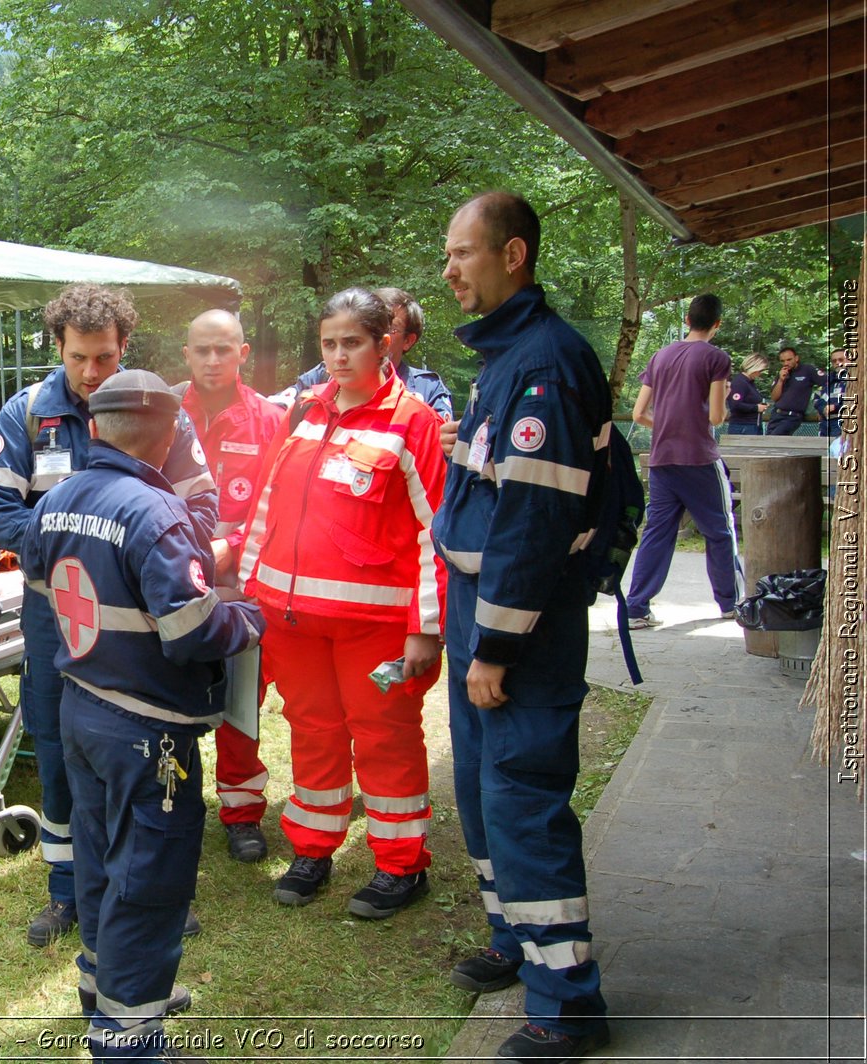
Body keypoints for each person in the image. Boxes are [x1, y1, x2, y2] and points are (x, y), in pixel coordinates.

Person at [22, 369, 264, 1063]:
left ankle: (104, 990)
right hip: (147, 729)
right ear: (169, 435)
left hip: (81, 709)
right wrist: (248, 619)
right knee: (150, 881)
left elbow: (45, 589)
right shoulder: (159, 515)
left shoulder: (56, 501)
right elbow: (190, 632)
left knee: (99, 859)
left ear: (93, 428)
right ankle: (129, 1042)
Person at [0, 283, 218, 948]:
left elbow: (201, 510)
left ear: (125, 348)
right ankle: (67, 893)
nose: (91, 372)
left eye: (105, 357)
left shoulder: (159, 412)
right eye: (79, 357)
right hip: (56, 618)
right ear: (58, 347)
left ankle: (152, 891)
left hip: (142, 626)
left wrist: (130, 553)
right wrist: (78, 548)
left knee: (150, 753)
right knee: (59, 754)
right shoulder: (25, 415)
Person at [432, 192, 611, 1062]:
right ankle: (517, 942)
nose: (450, 271)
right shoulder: (504, 357)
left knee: (522, 801)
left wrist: (495, 646)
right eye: (446, 256)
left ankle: (568, 1004)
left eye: (462, 254)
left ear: (513, 255)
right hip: (480, 613)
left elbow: (533, 524)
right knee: (480, 791)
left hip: (521, 626)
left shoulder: (546, 363)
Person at [236, 287, 445, 918]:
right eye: (329, 343)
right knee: (314, 732)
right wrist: (251, 592)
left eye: (352, 342)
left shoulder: (414, 421)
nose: (338, 355)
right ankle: (314, 848)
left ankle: (400, 866)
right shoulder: (304, 411)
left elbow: (436, 534)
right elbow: (267, 506)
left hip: (374, 629)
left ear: (386, 344)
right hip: (292, 621)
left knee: (385, 737)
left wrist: (425, 630)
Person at [178, 309, 285, 863]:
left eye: (224, 349)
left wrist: (232, 548)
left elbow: (278, 505)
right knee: (170, 700)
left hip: (243, 591)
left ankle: (242, 813)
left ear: (244, 353)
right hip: (171, 587)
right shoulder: (163, 411)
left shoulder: (272, 420)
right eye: (202, 350)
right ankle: (174, 805)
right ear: (187, 354)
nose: (213, 360)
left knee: (243, 702)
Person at [623, 294, 740, 629]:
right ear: (716, 324)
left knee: (657, 533)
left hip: (662, 459)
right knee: (720, 529)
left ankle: (637, 608)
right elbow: (717, 417)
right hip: (699, 458)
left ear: (687, 320)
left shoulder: (660, 357)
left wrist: (671, 424)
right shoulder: (716, 358)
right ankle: (730, 604)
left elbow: (638, 413)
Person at [271, 287, 453, 420]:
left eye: (391, 327)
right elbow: (278, 408)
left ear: (408, 340)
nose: (339, 357)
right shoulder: (323, 375)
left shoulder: (426, 390)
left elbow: (441, 448)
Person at [766, 344, 824, 435]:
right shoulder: (782, 373)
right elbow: (774, 398)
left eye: (789, 359)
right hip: (776, 414)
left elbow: (826, 383)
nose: (786, 363)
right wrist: (781, 380)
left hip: (792, 416)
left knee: (776, 439)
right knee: (769, 443)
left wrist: (821, 407)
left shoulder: (808, 370)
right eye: (783, 361)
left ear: (796, 358)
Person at [725, 354, 768, 435]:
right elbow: (735, 405)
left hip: (753, 425)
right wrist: (756, 408)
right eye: (760, 371)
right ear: (754, 368)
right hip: (743, 426)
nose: (760, 373)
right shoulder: (740, 382)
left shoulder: (750, 383)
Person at [817, 348, 848, 437]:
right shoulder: (827, 380)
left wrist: (835, 407)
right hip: (825, 423)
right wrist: (823, 408)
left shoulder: (855, 379)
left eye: (841, 359)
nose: (837, 363)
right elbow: (817, 398)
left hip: (843, 422)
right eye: (834, 361)